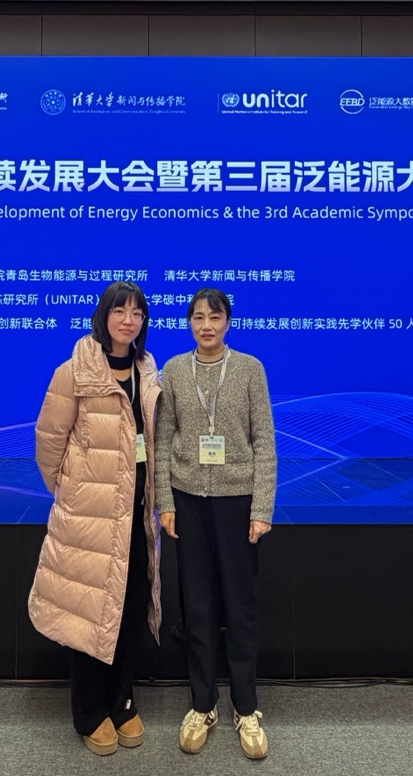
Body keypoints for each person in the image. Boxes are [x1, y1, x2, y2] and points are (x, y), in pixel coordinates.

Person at [28, 281, 162, 756]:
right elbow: (49, 443)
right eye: (119, 311)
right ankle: (90, 712)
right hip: (89, 518)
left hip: (134, 518)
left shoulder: (148, 372)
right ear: (103, 316)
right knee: (87, 612)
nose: (128, 320)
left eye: (137, 313)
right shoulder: (74, 373)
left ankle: (121, 701)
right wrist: (74, 492)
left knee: (128, 609)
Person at [155, 287, 277, 760]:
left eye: (215, 317)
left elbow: (264, 441)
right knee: (198, 606)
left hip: (237, 502)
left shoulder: (249, 369)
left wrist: (261, 508)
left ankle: (246, 707)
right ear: (189, 323)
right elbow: (163, 440)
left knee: (240, 607)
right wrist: (165, 501)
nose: (206, 326)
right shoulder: (173, 370)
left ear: (228, 322)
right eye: (198, 317)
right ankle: (202, 703)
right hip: (187, 501)